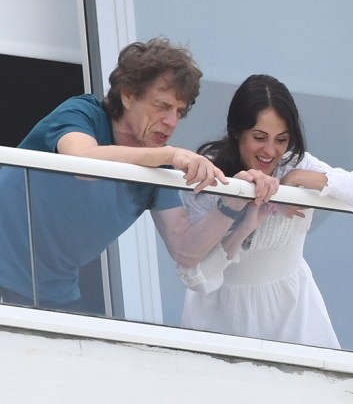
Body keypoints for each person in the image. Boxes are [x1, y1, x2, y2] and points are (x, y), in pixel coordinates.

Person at [0, 39, 278, 313]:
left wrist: (233, 203)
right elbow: (82, 161)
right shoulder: (83, 112)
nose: (171, 122)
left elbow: (185, 251)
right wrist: (169, 155)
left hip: (49, 294)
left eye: (179, 112)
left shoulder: (159, 165)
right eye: (162, 106)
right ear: (128, 94)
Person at [177, 74, 353, 348]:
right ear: (237, 131)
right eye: (259, 137)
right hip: (222, 316)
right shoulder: (210, 175)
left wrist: (298, 180)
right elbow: (197, 277)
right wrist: (243, 214)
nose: (270, 151)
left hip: (294, 312)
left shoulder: (293, 164)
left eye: (282, 139)